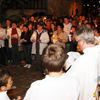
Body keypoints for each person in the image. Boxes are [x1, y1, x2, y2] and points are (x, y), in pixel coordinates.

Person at [66, 26, 100, 100]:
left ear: (82, 42)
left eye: (77, 41)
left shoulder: (83, 60)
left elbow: (68, 80)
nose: (77, 44)